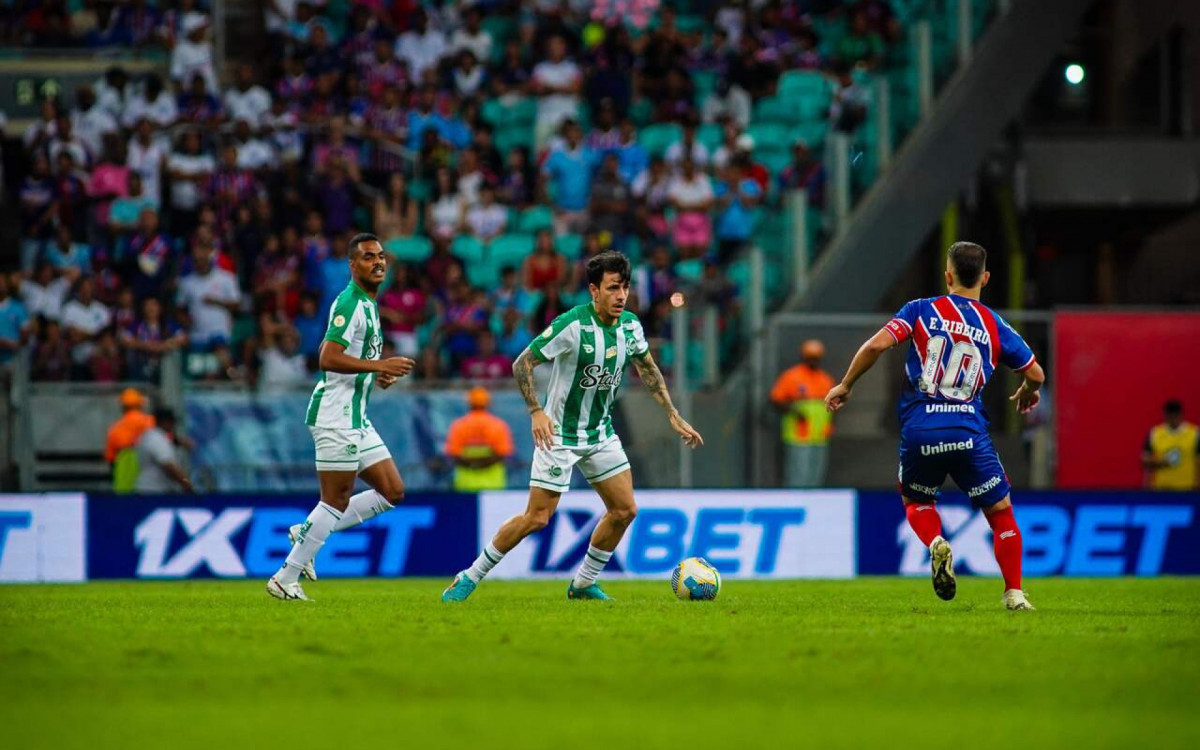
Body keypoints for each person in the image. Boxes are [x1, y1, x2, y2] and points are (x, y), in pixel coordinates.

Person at [443, 251, 704, 603]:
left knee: (625, 510)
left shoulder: (630, 326)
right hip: (560, 435)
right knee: (537, 518)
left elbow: (646, 366)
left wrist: (672, 412)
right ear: (594, 291)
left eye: (625, 288)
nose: (621, 296)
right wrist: (536, 411)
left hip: (600, 434)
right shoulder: (572, 325)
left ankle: (582, 584)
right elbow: (523, 364)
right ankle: (469, 576)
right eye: (613, 288)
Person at [825, 242, 1045, 611]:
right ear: (985, 278)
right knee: (1001, 512)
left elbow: (877, 346)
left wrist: (846, 384)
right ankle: (1014, 594)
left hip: (922, 429)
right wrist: (1028, 390)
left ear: (948, 275)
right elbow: (1036, 372)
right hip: (968, 432)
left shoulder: (920, 310)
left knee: (917, 500)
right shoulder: (994, 324)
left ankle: (936, 543)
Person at [268, 233, 416, 602]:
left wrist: (375, 374)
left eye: (381, 256)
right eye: (368, 257)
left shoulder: (369, 305)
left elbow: (350, 361)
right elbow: (327, 357)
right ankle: (285, 577)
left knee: (392, 491)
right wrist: (379, 363)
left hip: (356, 415)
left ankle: (306, 530)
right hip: (336, 414)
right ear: (352, 265)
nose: (378, 262)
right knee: (334, 501)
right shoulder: (350, 303)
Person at [770, 340, 835, 488]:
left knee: (816, 476)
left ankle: (813, 507)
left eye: (816, 357)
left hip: (820, 436)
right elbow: (776, 400)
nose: (813, 360)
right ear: (803, 357)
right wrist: (794, 411)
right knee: (798, 475)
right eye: (810, 356)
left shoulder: (825, 379)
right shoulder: (792, 376)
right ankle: (795, 503)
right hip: (799, 435)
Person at [444, 387, 515, 492]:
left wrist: (473, 465)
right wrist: (482, 464)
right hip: (493, 484)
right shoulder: (498, 425)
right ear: (488, 403)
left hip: (465, 484)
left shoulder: (459, 425)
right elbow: (502, 454)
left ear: (469, 403)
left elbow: (454, 454)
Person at [105, 388, 155, 492]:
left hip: (125, 481)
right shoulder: (151, 422)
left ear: (123, 407)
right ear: (140, 405)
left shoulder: (115, 429)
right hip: (151, 479)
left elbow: (111, 459)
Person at [134, 409, 194, 494]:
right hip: (152, 491)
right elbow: (168, 466)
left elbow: (172, 439)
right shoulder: (156, 439)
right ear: (164, 422)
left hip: (151, 489)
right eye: (172, 422)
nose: (173, 425)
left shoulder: (152, 435)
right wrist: (187, 483)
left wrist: (180, 441)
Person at [1142, 400, 1198, 490]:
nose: (1172, 420)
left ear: (1181, 415)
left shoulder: (1195, 434)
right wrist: (1162, 462)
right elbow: (1144, 459)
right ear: (1165, 416)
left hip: (1187, 489)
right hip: (1161, 488)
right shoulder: (1155, 433)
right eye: (1169, 416)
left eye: (1175, 416)